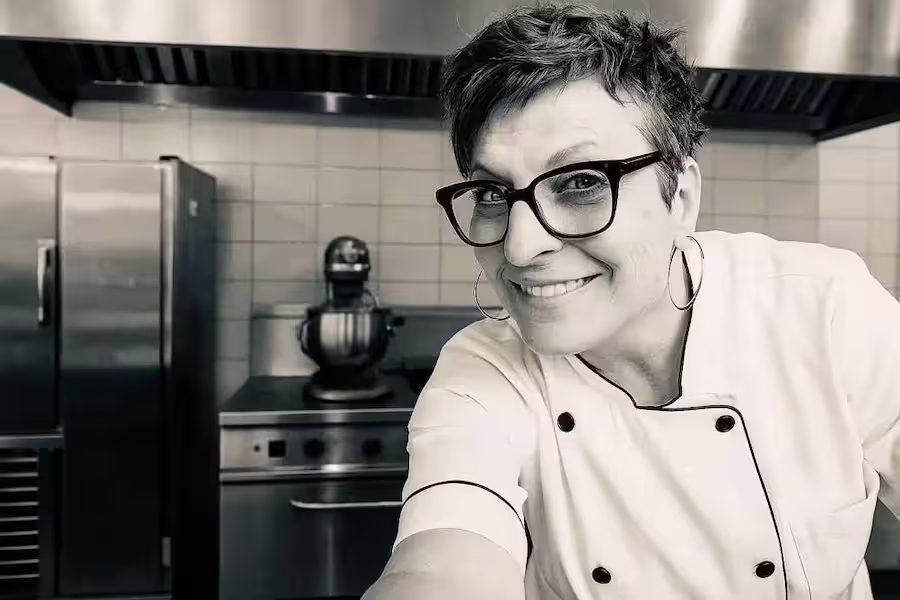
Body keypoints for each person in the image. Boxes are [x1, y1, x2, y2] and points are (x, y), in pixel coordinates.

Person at [363, 4, 900, 599]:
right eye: (492, 192)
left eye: (583, 182)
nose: (519, 245)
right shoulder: (484, 372)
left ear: (683, 197)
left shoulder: (820, 307)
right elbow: (442, 560)